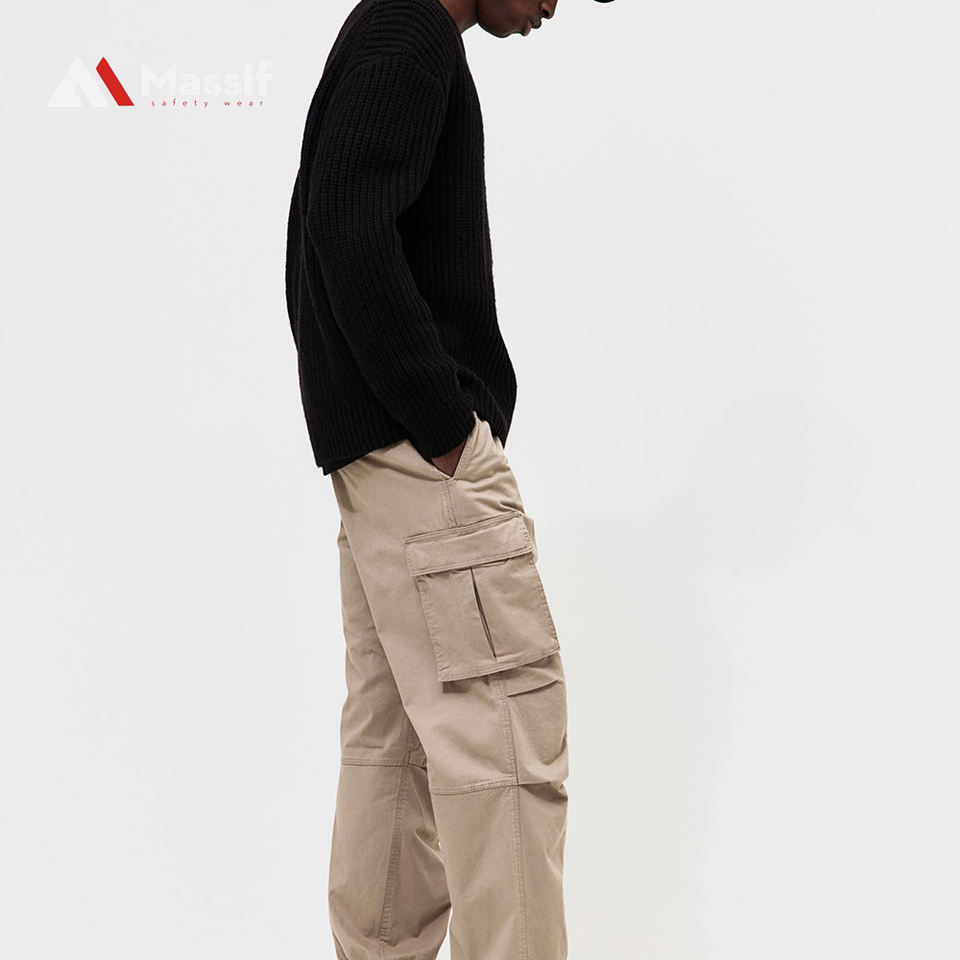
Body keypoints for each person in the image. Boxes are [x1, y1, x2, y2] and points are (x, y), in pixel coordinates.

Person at [284, 0, 613, 956]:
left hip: (382, 468)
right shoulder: (410, 38)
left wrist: (380, 426)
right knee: (505, 746)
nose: (555, 5)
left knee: (392, 752)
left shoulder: (390, 28)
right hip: (424, 471)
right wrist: (440, 426)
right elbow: (344, 233)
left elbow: (326, 225)